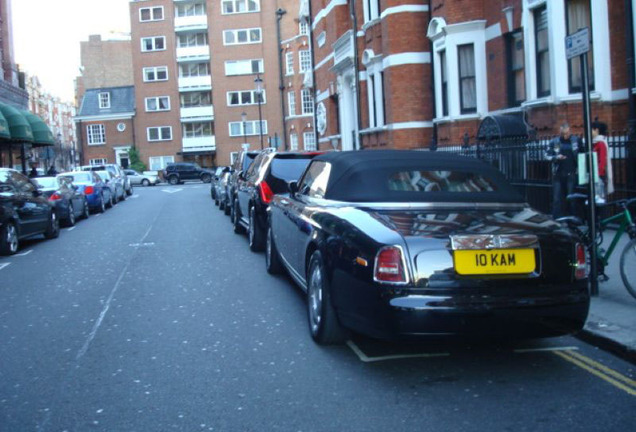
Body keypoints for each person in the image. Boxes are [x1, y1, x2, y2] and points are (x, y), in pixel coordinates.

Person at [545, 123, 579, 218]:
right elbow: (546, 156)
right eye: (563, 133)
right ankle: (557, 218)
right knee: (557, 198)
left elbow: (582, 154)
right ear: (560, 132)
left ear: (570, 131)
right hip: (558, 173)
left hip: (571, 172)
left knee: (571, 197)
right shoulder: (554, 142)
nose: (565, 135)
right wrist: (556, 157)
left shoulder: (576, 141)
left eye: (567, 133)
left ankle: (573, 217)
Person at [591, 121, 613, 203]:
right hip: (596, 174)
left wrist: (599, 174)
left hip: (599, 175)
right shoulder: (596, 142)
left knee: (599, 199)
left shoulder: (600, 143)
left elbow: (603, 160)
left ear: (596, 130)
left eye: (591, 130)